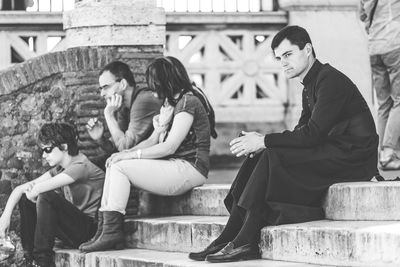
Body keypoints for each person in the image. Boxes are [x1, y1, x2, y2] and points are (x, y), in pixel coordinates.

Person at [189, 25, 378, 263]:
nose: (283, 63)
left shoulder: (330, 80)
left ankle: (246, 238)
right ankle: (230, 234)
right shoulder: (311, 83)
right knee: (260, 154)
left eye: (288, 55)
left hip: (353, 157)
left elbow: (312, 135)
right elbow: (301, 132)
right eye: (279, 58)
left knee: (269, 154)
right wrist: (261, 141)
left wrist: (264, 141)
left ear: (307, 49)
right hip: (333, 150)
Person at [79, 56, 217, 252]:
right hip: (175, 166)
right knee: (114, 163)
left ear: (166, 81)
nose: (153, 90)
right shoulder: (171, 104)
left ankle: (111, 232)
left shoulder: (188, 102)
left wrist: (130, 156)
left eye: (154, 84)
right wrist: (124, 153)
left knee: (121, 166)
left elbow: (169, 147)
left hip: (190, 168)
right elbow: (152, 141)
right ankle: (105, 230)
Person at [0, 123, 105, 267]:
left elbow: (40, 189)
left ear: (65, 146)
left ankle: (43, 262)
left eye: (48, 150)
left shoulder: (81, 166)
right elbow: (20, 189)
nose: (44, 155)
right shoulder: (60, 169)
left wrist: (34, 191)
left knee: (46, 196)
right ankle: (30, 259)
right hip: (72, 230)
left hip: (89, 233)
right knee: (26, 199)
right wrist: (5, 217)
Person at [86, 61, 163, 169]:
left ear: (122, 84)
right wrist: (100, 139)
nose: (102, 93)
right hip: (135, 159)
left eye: (106, 87)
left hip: (157, 162)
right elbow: (117, 147)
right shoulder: (124, 106)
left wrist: (108, 115)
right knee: (84, 166)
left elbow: (125, 147)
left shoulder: (144, 100)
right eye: (101, 88)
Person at [359, 0, 400, 169]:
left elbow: (363, 16)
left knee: (384, 104)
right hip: (395, 43)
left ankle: (381, 157)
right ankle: (388, 152)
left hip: (374, 48)